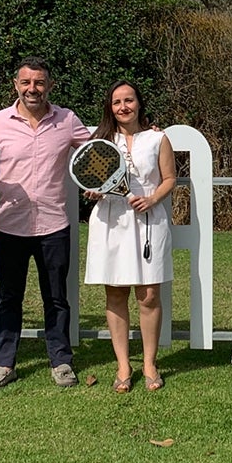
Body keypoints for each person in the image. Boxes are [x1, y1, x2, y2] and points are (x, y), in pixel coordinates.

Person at [0, 57, 91, 391]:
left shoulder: (67, 120)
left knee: (56, 298)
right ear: (16, 85)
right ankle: (4, 364)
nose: (32, 89)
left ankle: (61, 361)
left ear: (50, 85)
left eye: (39, 82)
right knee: (9, 297)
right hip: (9, 225)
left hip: (54, 225)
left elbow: (96, 150)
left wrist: (146, 129)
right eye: (26, 83)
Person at [82, 81, 177, 393]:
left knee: (149, 294)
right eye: (116, 102)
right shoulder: (101, 140)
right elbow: (91, 178)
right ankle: (123, 364)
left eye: (129, 100)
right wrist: (94, 191)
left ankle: (149, 362)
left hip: (149, 218)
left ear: (139, 102)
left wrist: (151, 199)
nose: (123, 107)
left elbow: (169, 178)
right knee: (116, 292)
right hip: (112, 220)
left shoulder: (158, 138)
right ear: (110, 107)